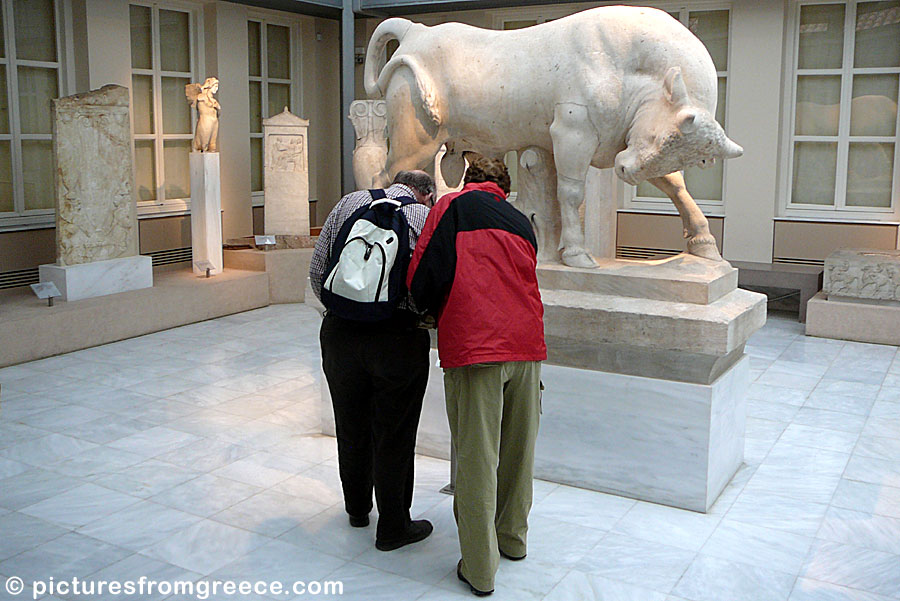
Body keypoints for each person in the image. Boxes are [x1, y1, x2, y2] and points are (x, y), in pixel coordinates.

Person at [406, 154, 546, 596]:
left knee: (476, 457)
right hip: (527, 347)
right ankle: (513, 540)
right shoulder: (522, 222)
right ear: (504, 189)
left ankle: (481, 570)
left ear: (468, 180)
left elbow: (422, 272)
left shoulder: (452, 206)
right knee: (518, 451)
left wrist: (426, 310)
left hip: (475, 346)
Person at [310, 170, 436, 551]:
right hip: (397, 337)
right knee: (394, 433)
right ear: (426, 194)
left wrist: (347, 308)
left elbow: (318, 272)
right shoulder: (423, 217)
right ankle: (394, 526)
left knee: (350, 424)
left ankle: (357, 508)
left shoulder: (350, 202)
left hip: (340, 334)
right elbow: (431, 283)